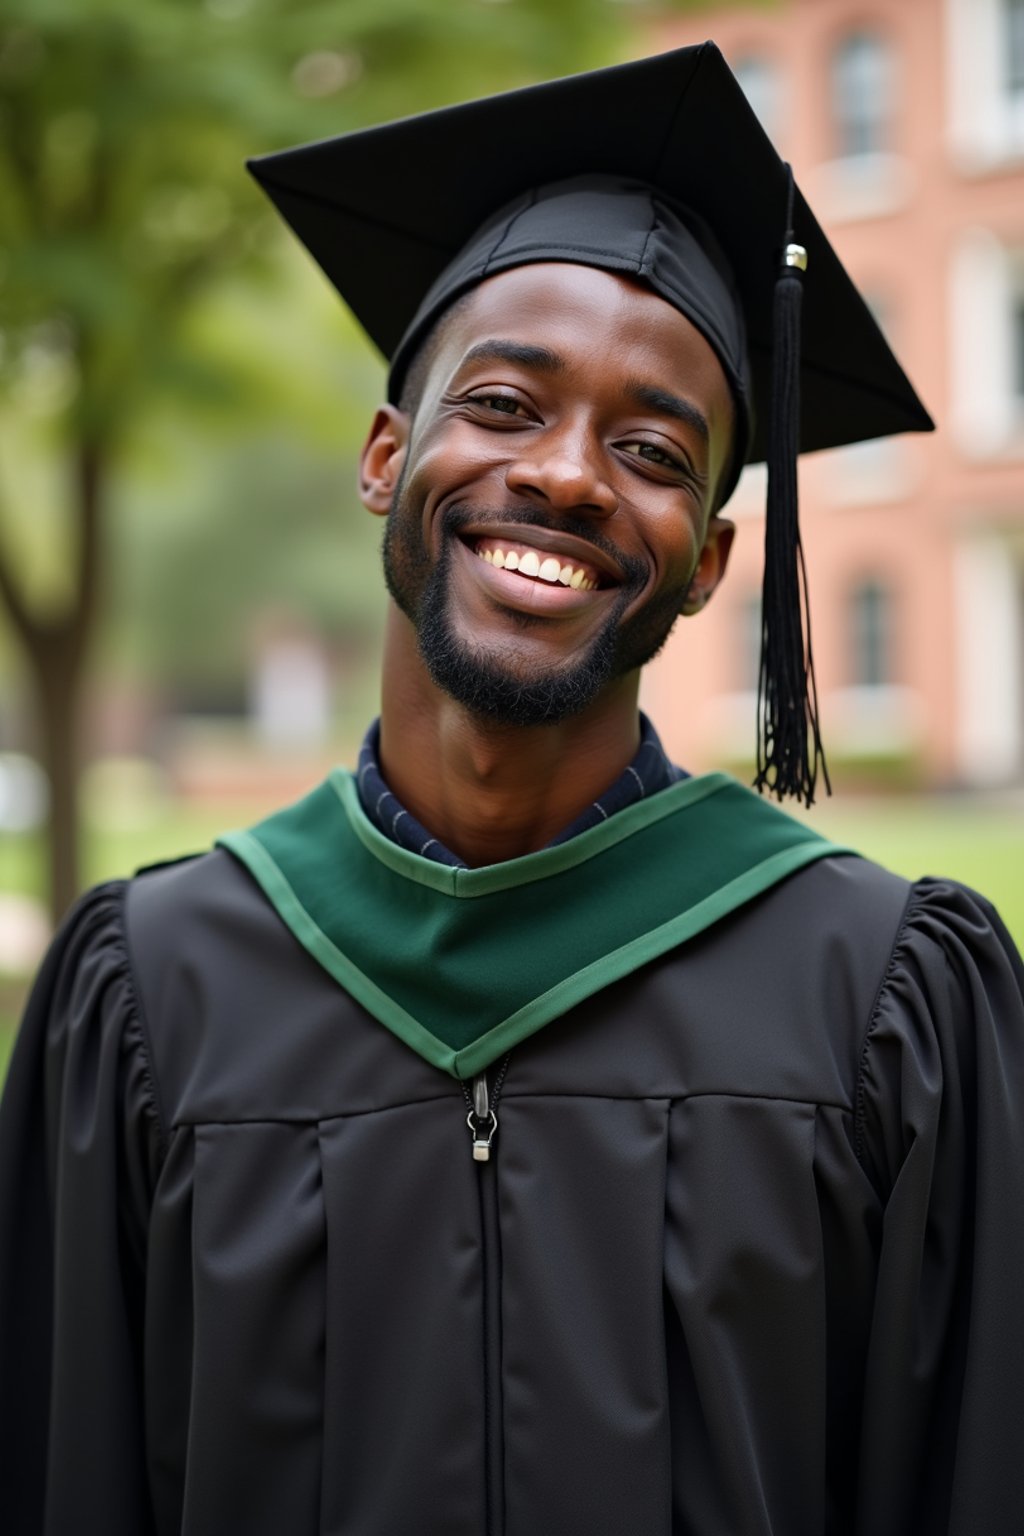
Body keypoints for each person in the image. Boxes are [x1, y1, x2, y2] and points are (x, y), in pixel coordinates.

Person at [2, 41, 1023, 1536]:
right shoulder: (150, 997)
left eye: (655, 448)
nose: (567, 476)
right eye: (503, 404)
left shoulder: (880, 1004)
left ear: (711, 561)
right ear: (384, 454)